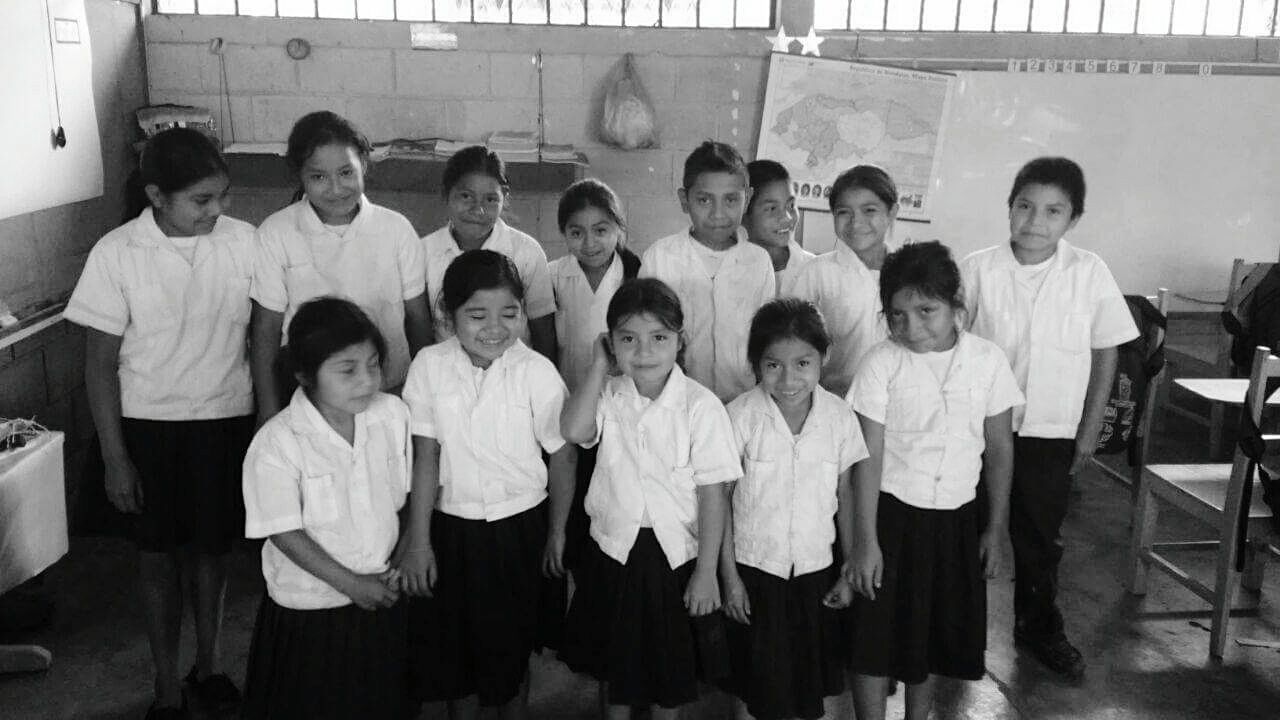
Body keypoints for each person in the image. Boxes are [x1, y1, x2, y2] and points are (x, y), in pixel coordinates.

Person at [69, 127, 255, 719]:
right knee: (155, 560)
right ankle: (166, 684)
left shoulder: (245, 242)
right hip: (146, 428)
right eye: (202, 200)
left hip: (223, 420)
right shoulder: (117, 253)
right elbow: (99, 366)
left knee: (211, 554)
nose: (217, 211)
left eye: (223, 197)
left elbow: (265, 337)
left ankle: (209, 666)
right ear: (156, 195)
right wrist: (117, 457)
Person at [960, 157, 1138, 682]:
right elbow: (955, 344)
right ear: (1009, 208)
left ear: (1073, 220)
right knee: (969, 528)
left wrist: (1089, 427)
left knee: (1039, 536)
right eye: (1025, 206)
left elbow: (1106, 351)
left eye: (1053, 211)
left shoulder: (1088, 271)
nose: (1035, 221)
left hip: (1051, 432)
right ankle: (961, 630)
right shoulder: (977, 269)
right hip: (983, 432)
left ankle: (1039, 627)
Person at [845, 241, 1023, 720]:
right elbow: (867, 457)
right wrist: (865, 541)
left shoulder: (987, 361)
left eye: (927, 310)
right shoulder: (881, 362)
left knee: (930, 633)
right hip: (890, 516)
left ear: (955, 306)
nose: (912, 327)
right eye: (897, 315)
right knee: (874, 633)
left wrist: (995, 527)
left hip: (956, 519)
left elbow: (1000, 450)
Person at [398, 250, 575, 720]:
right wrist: (418, 543)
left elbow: (561, 455)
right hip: (451, 529)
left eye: (510, 313)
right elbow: (426, 456)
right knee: (453, 655)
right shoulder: (430, 366)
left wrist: (558, 531)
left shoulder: (536, 371)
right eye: (477, 315)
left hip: (520, 530)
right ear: (448, 315)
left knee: (510, 652)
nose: (495, 328)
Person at [559, 278, 739, 719]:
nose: (644, 351)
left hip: (674, 561)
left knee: (668, 679)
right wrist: (599, 368)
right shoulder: (608, 395)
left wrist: (706, 573)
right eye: (628, 339)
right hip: (613, 553)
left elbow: (714, 495)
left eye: (659, 338)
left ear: (680, 341)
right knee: (615, 676)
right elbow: (573, 431)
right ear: (611, 344)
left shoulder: (701, 406)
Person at [239, 297, 410, 720]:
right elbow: (283, 532)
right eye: (347, 370)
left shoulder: (391, 416)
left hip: (382, 595)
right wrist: (351, 584)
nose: (367, 381)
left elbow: (404, 497)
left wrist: (404, 551)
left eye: (374, 364)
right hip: (311, 612)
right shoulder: (279, 442)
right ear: (305, 375)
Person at [720, 298, 866, 720]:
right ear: (755, 364)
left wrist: (848, 568)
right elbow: (721, 502)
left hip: (814, 573)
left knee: (806, 683)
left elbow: (846, 497)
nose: (788, 379)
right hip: (753, 572)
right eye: (773, 365)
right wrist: (729, 579)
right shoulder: (739, 417)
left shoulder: (840, 418)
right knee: (751, 681)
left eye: (803, 363)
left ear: (824, 358)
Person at [250, 110, 430, 421]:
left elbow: (418, 320)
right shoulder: (276, 232)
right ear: (300, 176)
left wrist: (424, 397)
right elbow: (266, 331)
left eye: (346, 172)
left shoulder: (396, 229)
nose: (335, 188)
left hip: (388, 389)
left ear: (364, 165)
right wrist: (267, 412)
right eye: (318, 177)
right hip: (309, 399)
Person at [548, 178, 641, 567]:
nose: (590, 242)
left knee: (609, 503)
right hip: (568, 404)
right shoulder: (553, 274)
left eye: (601, 230)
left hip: (619, 408)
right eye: (577, 232)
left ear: (619, 228)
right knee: (571, 500)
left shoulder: (636, 275)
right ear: (564, 235)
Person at [640, 141, 775, 402]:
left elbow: (765, 340)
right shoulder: (660, 257)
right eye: (704, 200)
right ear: (684, 200)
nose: (718, 214)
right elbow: (648, 332)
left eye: (731, 200)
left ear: (747, 198)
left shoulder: (758, 261)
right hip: (676, 401)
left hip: (741, 400)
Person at [420, 145, 557, 360]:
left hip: (515, 377)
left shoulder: (526, 252)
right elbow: (421, 330)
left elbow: (544, 334)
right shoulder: (424, 251)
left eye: (491, 199)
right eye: (466, 197)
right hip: (448, 380)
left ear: (504, 197)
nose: (478, 210)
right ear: (446, 194)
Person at [785, 165, 899, 397]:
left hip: (896, 400)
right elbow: (789, 340)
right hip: (832, 399)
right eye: (844, 212)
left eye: (869, 210)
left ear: (892, 212)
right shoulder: (817, 273)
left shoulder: (909, 273)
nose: (856, 223)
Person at [742, 160, 812, 294]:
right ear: (743, 215)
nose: (787, 217)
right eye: (772, 208)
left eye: (791, 206)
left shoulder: (816, 269)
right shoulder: (725, 270)